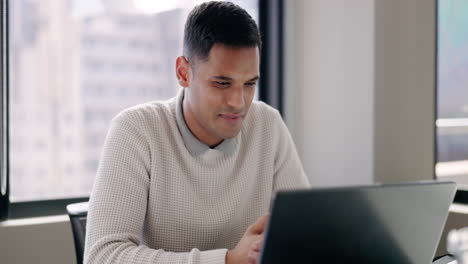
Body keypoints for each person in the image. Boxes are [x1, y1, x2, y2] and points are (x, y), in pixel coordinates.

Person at [84, 1, 309, 264]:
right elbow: (103, 257)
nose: (238, 102)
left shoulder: (268, 125)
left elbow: (305, 234)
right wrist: (226, 260)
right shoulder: (136, 131)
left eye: (249, 84)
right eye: (222, 83)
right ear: (183, 72)